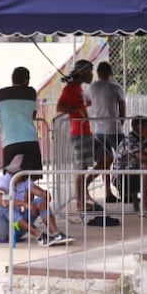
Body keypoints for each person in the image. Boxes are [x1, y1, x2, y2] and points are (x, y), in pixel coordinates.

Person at [55, 59, 109, 212]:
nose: (92, 74)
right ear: (82, 72)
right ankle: (80, 203)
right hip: (78, 133)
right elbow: (60, 106)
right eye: (89, 71)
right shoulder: (70, 89)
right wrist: (75, 109)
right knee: (81, 168)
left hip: (86, 132)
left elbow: (84, 104)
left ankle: (84, 189)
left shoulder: (79, 88)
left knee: (106, 158)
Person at [0, 154, 72, 246]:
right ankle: (39, 236)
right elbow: (0, 200)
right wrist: (24, 204)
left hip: (15, 229)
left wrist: (45, 200)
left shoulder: (24, 182)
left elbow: (44, 194)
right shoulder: (3, 181)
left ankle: (56, 234)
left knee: (39, 200)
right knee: (4, 205)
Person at [0, 66, 42, 176]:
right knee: (30, 179)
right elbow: (32, 115)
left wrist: (4, 117)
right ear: (26, 80)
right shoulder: (32, 93)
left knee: (12, 180)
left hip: (10, 142)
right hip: (30, 140)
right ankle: (33, 194)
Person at [86, 62, 127, 203]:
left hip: (99, 130)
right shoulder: (116, 87)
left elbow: (87, 103)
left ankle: (108, 192)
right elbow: (122, 110)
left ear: (97, 73)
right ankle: (125, 190)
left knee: (104, 162)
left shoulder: (92, 88)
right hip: (114, 128)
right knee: (125, 159)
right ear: (111, 73)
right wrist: (120, 124)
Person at [111, 117, 147, 213]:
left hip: (138, 175)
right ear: (140, 127)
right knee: (145, 166)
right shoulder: (130, 140)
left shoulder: (145, 139)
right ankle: (144, 207)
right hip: (124, 178)